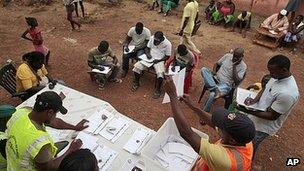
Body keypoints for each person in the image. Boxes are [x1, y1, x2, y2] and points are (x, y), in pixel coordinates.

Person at [163, 77, 255, 171]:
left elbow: (187, 134)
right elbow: (213, 121)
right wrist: (194, 107)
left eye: (222, 126)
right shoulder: (244, 138)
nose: (218, 126)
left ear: (232, 141)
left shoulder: (225, 160)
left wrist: (172, 96)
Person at [6, 91, 89, 171]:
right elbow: (50, 168)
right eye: (55, 114)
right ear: (50, 112)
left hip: (13, 164)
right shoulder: (39, 143)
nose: (55, 116)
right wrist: (71, 150)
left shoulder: (21, 112)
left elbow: (54, 122)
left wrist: (75, 127)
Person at [238, 55, 299, 157]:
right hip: (256, 115)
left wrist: (247, 111)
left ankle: (246, 164)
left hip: (263, 127)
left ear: (284, 70)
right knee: (244, 142)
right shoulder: (277, 76)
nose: (270, 74)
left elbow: (272, 116)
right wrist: (255, 100)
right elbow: (266, 88)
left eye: (272, 72)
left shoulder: (288, 93)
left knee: (250, 147)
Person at [200, 48, 247, 112]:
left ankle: (204, 112)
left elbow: (237, 81)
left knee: (212, 95)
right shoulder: (227, 56)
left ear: (242, 57)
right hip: (215, 79)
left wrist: (234, 67)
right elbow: (216, 64)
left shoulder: (243, 66)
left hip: (225, 85)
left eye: (237, 57)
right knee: (203, 69)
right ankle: (214, 88)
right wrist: (214, 72)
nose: (235, 58)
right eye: (234, 55)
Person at [131, 31, 172, 99]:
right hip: (149, 58)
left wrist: (159, 60)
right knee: (136, 67)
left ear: (161, 39)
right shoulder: (152, 38)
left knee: (160, 74)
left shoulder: (168, 44)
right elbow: (147, 48)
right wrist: (147, 54)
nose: (155, 42)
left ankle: (158, 89)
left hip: (159, 60)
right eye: (155, 41)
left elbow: (167, 56)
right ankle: (136, 82)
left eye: (157, 41)